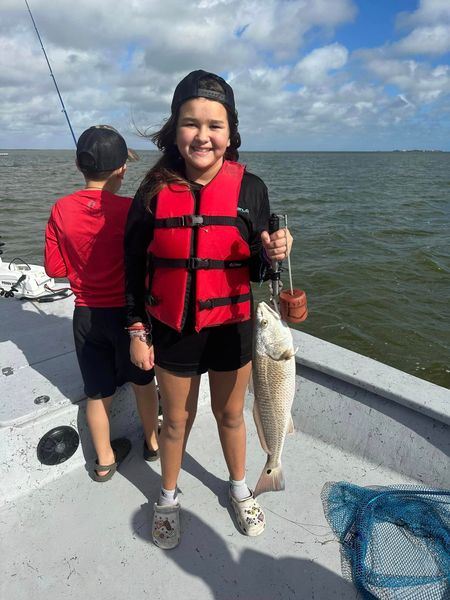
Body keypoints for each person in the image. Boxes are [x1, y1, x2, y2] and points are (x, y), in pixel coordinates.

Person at [124, 71, 292, 549]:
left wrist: (274, 252)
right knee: (175, 421)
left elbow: (260, 269)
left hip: (234, 329)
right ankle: (169, 498)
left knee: (231, 414)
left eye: (215, 126)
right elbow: (133, 265)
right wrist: (138, 328)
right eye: (190, 123)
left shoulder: (251, 188)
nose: (203, 136)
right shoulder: (153, 190)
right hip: (172, 328)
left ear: (231, 133)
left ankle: (239, 488)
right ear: (174, 129)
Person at [44, 125, 160, 482]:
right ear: (123, 169)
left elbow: (54, 268)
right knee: (144, 383)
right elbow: (151, 261)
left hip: (86, 316)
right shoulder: (132, 210)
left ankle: (105, 460)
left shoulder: (60, 209)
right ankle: (153, 443)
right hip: (130, 318)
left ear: (80, 167)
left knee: (98, 392)